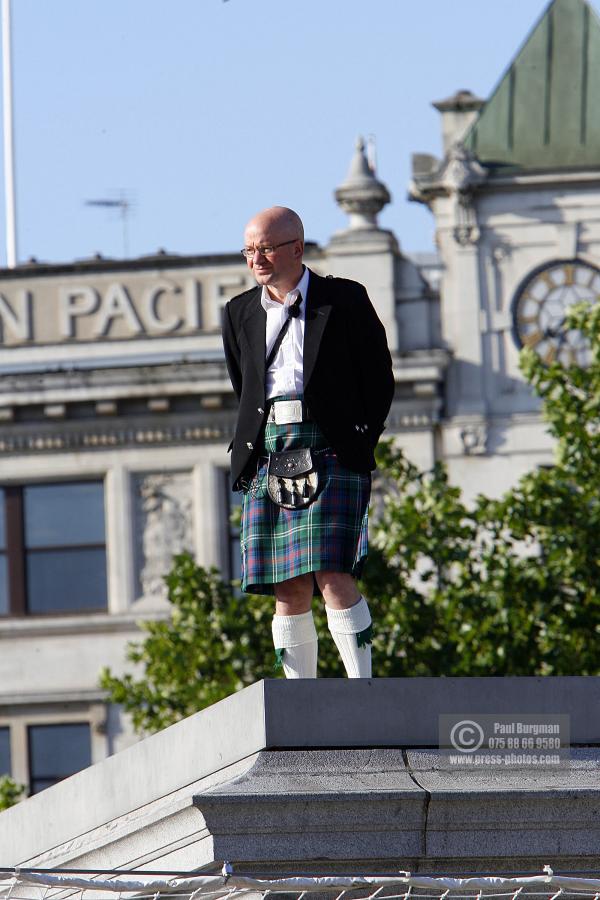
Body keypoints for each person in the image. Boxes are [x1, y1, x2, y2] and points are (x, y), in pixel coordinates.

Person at [222, 206, 394, 679]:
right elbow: (246, 386)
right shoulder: (238, 312)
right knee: (287, 584)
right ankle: (302, 700)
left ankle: (363, 688)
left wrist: (358, 437)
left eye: (266, 248)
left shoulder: (343, 299)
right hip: (272, 446)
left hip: (330, 443)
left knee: (334, 575)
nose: (256, 258)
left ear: (296, 248)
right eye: (249, 250)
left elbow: (378, 378)